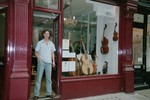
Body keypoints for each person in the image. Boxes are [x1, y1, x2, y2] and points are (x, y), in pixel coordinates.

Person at [33, 30, 56, 100]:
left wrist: (53, 62)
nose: (46, 35)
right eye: (45, 34)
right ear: (43, 34)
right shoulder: (40, 43)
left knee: (49, 79)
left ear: (49, 35)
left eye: (48, 34)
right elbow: (36, 52)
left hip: (49, 63)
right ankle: (36, 94)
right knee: (39, 78)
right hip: (41, 63)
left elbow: (52, 53)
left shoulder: (51, 44)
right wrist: (39, 59)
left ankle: (49, 93)